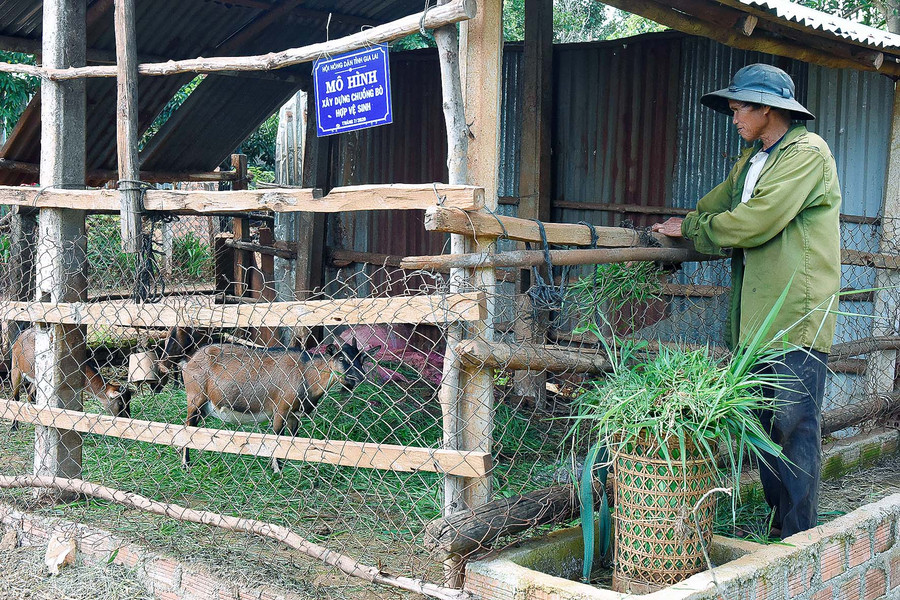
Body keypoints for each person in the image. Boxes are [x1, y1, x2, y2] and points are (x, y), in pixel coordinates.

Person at [652, 63, 842, 538]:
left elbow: (756, 220)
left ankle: (798, 537)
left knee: (793, 424)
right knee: (762, 427)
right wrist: (685, 221)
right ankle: (780, 526)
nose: (734, 116)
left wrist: (693, 230)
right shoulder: (753, 160)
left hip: (795, 314)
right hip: (755, 318)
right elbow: (715, 206)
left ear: (768, 109)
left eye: (740, 108)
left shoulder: (807, 152)